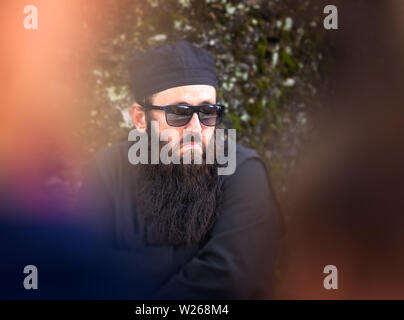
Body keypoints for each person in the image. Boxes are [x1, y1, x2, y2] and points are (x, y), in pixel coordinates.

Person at [80, 41, 281, 299]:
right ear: (141, 118)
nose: (196, 129)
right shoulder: (108, 169)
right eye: (179, 113)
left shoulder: (244, 174)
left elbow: (230, 282)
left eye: (208, 112)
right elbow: (83, 273)